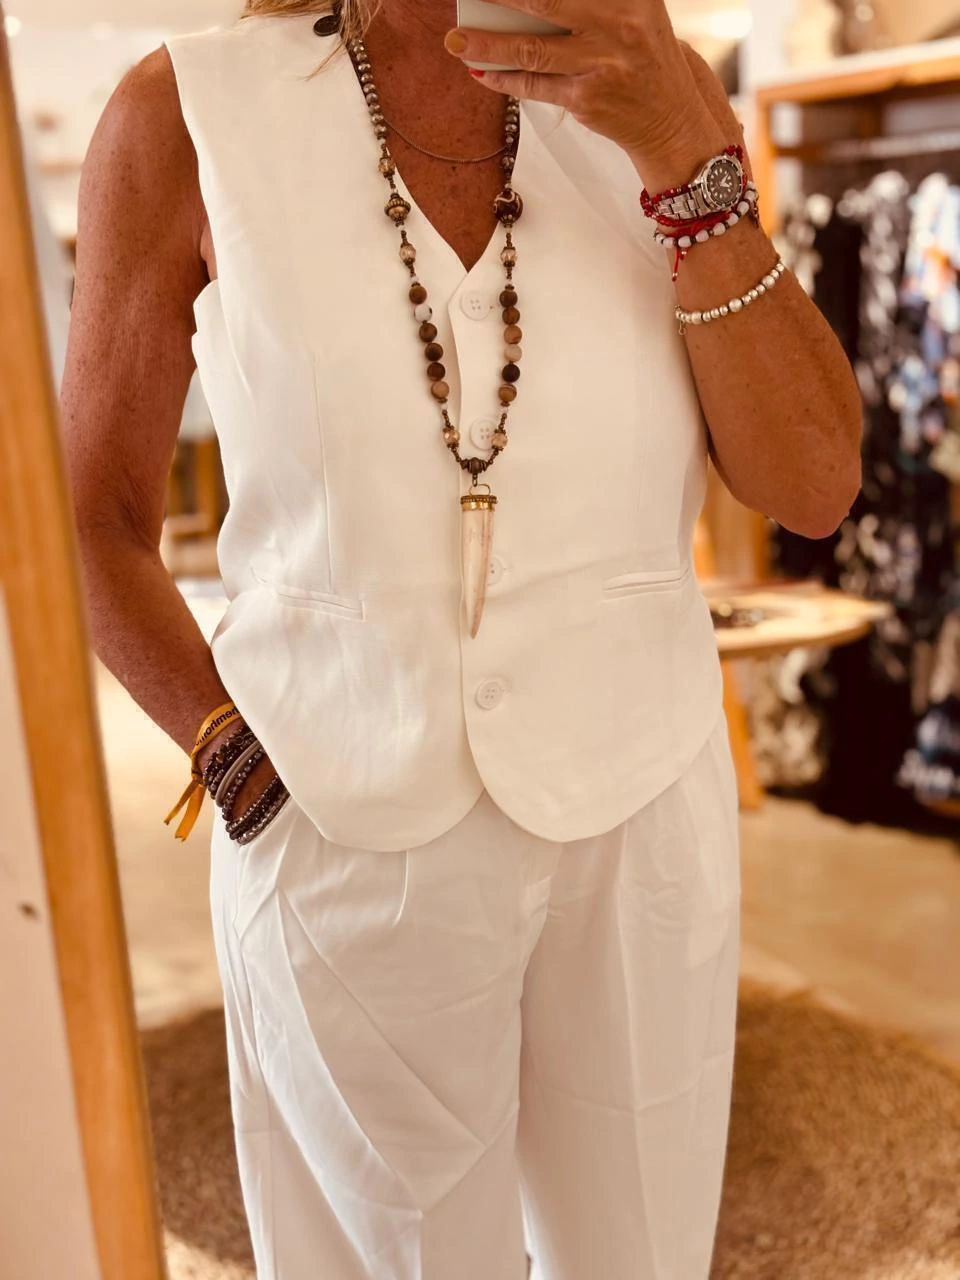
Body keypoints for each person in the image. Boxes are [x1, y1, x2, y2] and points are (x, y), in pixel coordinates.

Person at [60, 0, 861, 1276]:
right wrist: (233, 760)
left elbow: (812, 483)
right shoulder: (186, 113)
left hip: (642, 819)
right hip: (335, 821)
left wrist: (677, 152)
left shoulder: (660, 88)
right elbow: (88, 521)